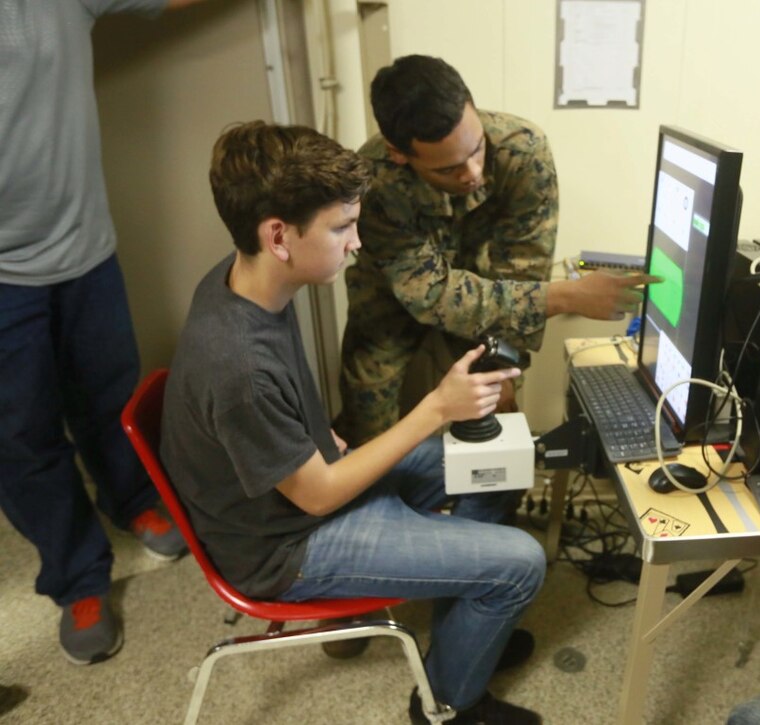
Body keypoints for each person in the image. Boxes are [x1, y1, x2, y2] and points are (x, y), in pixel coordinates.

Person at [161, 120, 546, 724]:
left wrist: (315, 434)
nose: (356, 243)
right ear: (279, 235)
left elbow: (283, 421)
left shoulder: (244, 280)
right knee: (522, 563)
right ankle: (447, 705)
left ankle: (466, 640)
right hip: (286, 546)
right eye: (341, 227)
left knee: (499, 468)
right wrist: (436, 409)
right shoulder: (235, 364)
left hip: (310, 485)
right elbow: (316, 497)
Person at [0, 0, 206, 666]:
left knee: (110, 392)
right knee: (22, 434)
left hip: (84, 247)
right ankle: (77, 576)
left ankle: (135, 499)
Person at [335, 54, 656, 445]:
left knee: (495, 423)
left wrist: (502, 361)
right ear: (399, 153)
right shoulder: (376, 179)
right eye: (449, 168)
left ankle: (493, 507)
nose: (471, 173)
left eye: (476, 150)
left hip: (491, 287)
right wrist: (566, 295)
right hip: (390, 294)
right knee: (370, 420)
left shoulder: (522, 152)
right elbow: (432, 294)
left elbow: (523, 269)